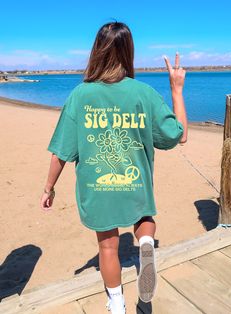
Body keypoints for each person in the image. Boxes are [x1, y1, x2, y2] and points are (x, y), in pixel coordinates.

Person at [40, 21, 187, 314]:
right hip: (135, 183)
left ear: (97, 51)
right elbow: (179, 134)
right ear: (129, 51)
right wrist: (176, 88)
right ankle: (145, 242)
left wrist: (48, 187)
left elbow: (61, 153)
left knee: (108, 247)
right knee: (143, 217)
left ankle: (116, 302)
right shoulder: (143, 93)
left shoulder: (81, 95)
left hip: (99, 188)